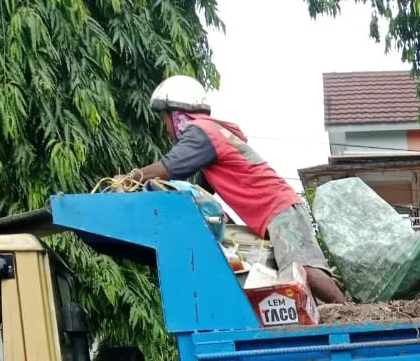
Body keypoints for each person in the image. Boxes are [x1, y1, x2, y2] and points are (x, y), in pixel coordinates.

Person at [120, 75, 346, 306]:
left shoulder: (202, 132)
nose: (167, 129)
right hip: (273, 214)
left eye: (164, 120)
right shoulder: (210, 141)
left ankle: (351, 314)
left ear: (176, 114)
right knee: (293, 279)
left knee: (301, 266)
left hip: (280, 209)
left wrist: (129, 181)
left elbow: (169, 168)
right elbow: (197, 193)